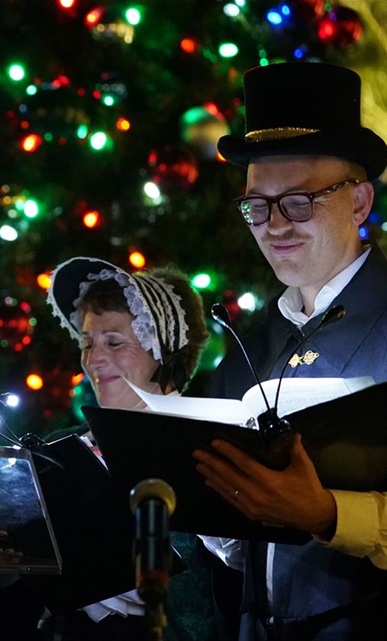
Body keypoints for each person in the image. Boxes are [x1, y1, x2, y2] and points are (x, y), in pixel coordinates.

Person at [192, 61, 387, 640]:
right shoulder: (247, 349)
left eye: (298, 202)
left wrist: (328, 515)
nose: (274, 226)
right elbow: (236, 555)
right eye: (258, 206)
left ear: (358, 202)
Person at [36, 256, 213, 641]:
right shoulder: (59, 450)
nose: (93, 359)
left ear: (161, 348)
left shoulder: (210, 446)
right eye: (86, 343)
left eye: (114, 342)